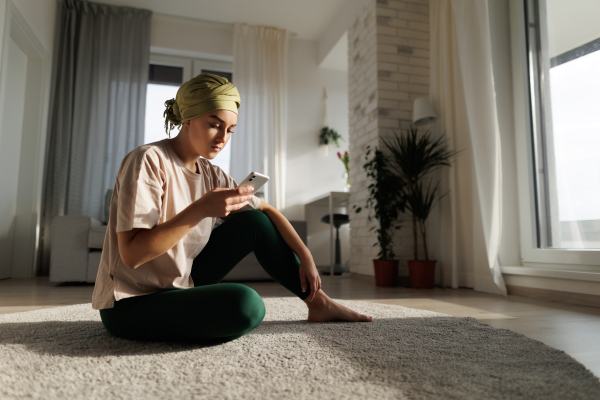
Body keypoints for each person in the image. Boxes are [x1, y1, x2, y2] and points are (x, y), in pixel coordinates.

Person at [92, 72, 372, 342]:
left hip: (182, 285)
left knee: (255, 222)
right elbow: (132, 255)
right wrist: (201, 209)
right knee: (247, 304)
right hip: (130, 304)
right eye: (214, 124)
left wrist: (306, 256)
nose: (223, 137)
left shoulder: (212, 174)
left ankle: (318, 303)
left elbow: (266, 211)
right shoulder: (148, 160)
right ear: (188, 118)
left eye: (230, 130)